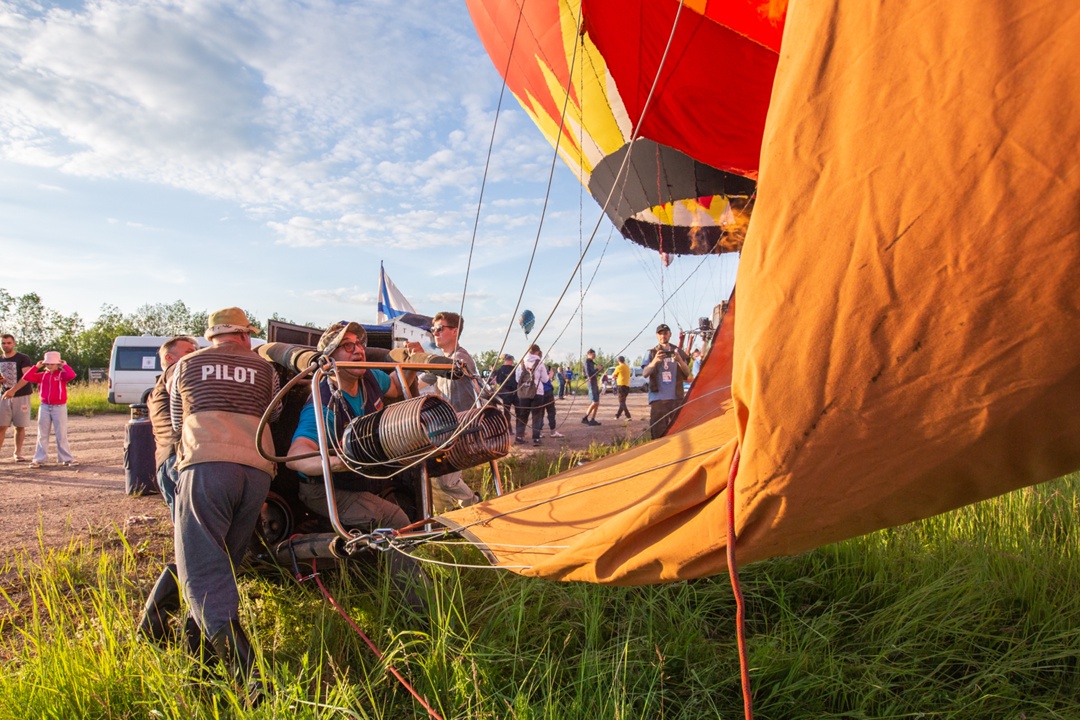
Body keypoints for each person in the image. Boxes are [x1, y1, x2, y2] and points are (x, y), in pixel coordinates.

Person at [169, 307, 280, 702]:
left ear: (211, 336)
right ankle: (197, 666)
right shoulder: (265, 369)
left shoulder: (186, 364)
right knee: (224, 566)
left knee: (200, 570)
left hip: (206, 465)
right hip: (256, 472)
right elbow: (276, 412)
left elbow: (180, 420)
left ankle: (251, 677)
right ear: (245, 336)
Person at [286, 321, 416, 530]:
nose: (358, 350)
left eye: (359, 344)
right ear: (329, 358)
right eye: (347, 345)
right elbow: (295, 457)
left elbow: (395, 387)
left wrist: (411, 361)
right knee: (395, 519)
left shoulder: (370, 377)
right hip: (325, 489)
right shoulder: (324, 403)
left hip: (361, 480)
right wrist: (338, 463)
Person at [428, 311, 481, 512]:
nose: (435, 333)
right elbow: (420, 380)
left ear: (455, 331)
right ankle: (449, 515)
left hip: (461, 429)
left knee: (447, 482)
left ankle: (474, 505)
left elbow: (447, 368)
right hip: (447, 429)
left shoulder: (460, 358)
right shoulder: (444, 360)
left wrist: (420, 357)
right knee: (435, 477)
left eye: (440, 329)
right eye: (433, 330)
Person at [147, 335, 199, 519]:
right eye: (189, 352)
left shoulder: (154, 390)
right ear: (169, 357)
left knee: (182, 524)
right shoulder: (176, 369)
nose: (194, 356)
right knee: (199, 525)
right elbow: (175, 382)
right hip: (181, 459)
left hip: (164, 461)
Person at [5, 351, 77, 468]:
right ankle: (39, 459)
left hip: (59, 407)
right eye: (47, 364)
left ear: (57, 364)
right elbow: (27, 377)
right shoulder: (42, 375)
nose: (49, 366)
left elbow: (71, 375)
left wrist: (64, 366)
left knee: (61, 433)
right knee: (42, 433)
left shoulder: (61, 375)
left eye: (52, 364)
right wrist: (36, 367)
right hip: (44, 406)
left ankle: (67, 458)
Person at [642, 323, 691, 440]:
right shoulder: (651, 353)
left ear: (670, 335)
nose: (663, 336)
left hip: (676, 398)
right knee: (658, 434)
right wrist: (655, 361)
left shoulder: (678, 352)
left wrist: (679, 360)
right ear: (657, 336)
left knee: (680, 433)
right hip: (658, 399)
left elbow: (687, 372)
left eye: (665, 333)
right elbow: (645, 373)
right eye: (660, 334)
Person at [0, 334, 34, 462]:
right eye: (3, 343)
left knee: (19, 426)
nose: (6, 345)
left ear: (14, 343)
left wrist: (13, 390)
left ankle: (17, 453)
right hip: (4, 396)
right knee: (1, 426)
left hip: (21, 395)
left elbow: (27, 377)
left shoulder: (22, 358)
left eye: (8, 343)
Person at [515, 345, 549, 445]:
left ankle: (519, 437)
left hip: (523, 393)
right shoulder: (540, 363)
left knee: (522, 415)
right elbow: (545, 379)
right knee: (537, 416)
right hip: (537, 392)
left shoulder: (521, 362)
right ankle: (536, 439)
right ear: (537, 352)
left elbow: (517, 379)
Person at [489, 353, 518, 428]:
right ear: (510, 360)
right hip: (514, 393)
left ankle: (508, 429)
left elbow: (498, 381)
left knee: (507, 412)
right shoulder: (515, 369)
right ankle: (519, 430)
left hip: (505, 393)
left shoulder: (500, 370)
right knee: (519, 411)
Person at [581, 349, 603, 426]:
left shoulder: (591, 363)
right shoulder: (587, 362)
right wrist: (597, 369)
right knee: (595, 402)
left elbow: (594, 374)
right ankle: (585, 418)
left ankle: (593, 419)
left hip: (594, 383)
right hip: (591, 384)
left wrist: (598, 370)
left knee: (597, 402)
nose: (595, 355)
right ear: (589, 354)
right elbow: (589, 374)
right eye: (593, 354)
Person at [541, 364, 563, 437]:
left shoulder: (538, 372)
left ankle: (540, 432)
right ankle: (553, 431)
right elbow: (546, 379)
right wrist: (550, 375)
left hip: (539, 394)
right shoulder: (546, 376)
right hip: (547, 393)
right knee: (551, 412)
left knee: (540, 413)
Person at [613, 355, 632, 420]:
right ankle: (617, 415)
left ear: (618, 361)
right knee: (622, 402)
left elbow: (613, 376)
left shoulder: (618, 367)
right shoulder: (627, 367)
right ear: (624, 360)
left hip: (621, 385)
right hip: (627, 386)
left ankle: (628, 416)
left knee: (621, 401)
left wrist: (616, 376)